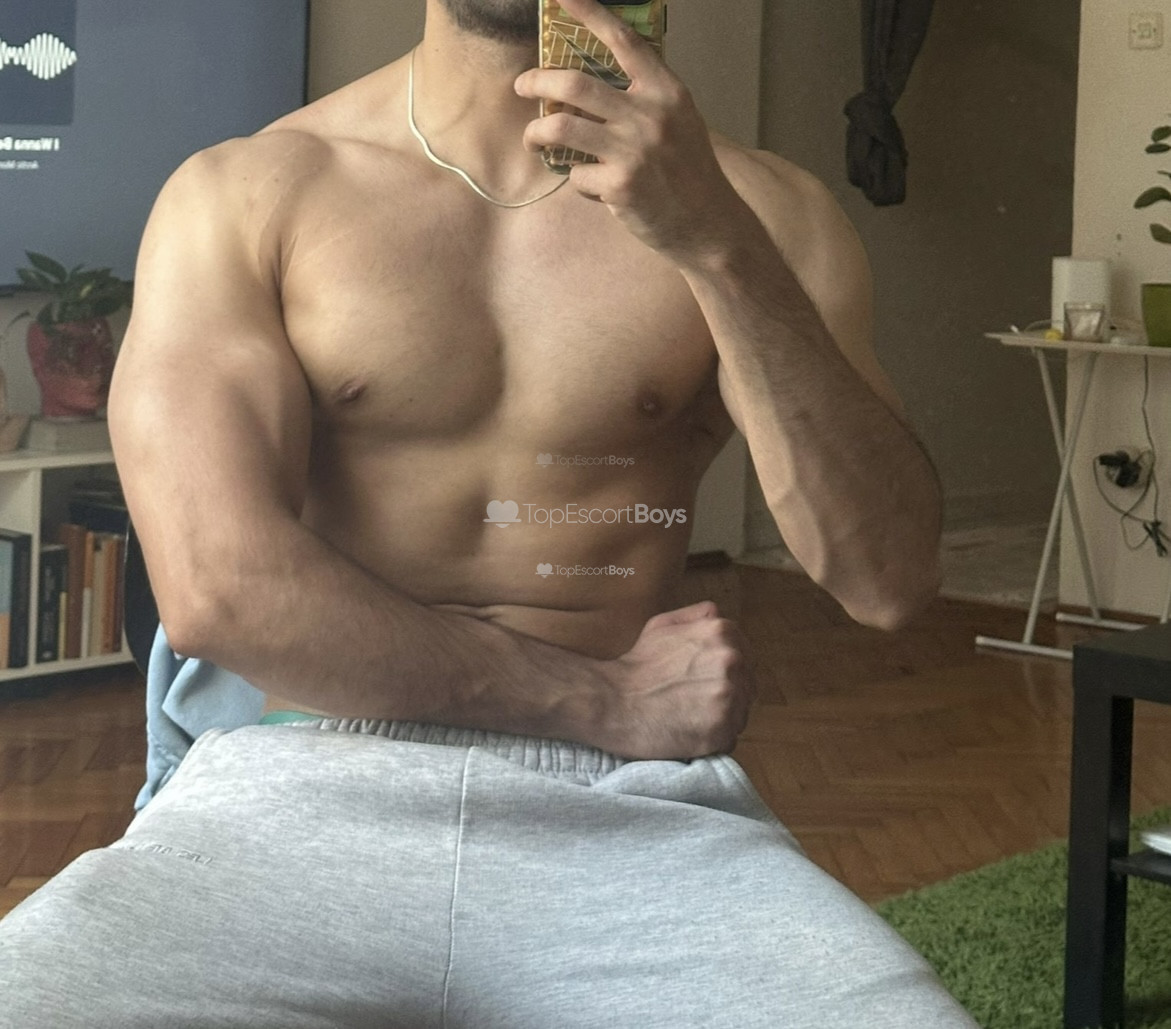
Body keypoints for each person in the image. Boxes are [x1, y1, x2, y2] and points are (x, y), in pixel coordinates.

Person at [0, 0, 975, 1025]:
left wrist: (716, 245)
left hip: (627, 809)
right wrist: (603, 699)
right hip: (300, 775)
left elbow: (888, 579)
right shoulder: (247, 192)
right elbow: (221, 594)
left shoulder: (763, 214)